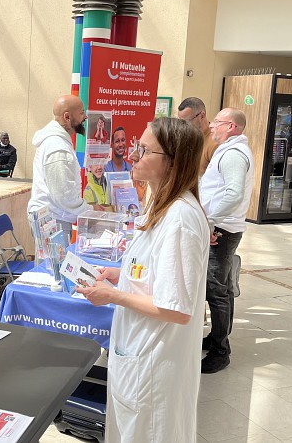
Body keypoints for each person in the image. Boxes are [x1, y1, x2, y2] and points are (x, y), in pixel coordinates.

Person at [76, 117, 209, 442]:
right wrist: (120, 275)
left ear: (171, 163)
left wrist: (113, 295)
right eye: (137, 147)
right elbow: (158, 274)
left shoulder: (180, 219)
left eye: (145, 150)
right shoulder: (161, 208)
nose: (133, 155)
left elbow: (177, 308)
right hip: (138, 355)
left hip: (153, 366)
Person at [199, 108, 254, 374]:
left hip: (221, 229)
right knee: (222, 286)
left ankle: (221, 351)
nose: (211, 127)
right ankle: (217, 338)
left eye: (216, 123)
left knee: (216, 288)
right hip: (222, 226)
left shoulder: (233, 154)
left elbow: (233, 193)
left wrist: (210, 221)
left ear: (231, 126)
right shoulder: (230, 150)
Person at [27, 95, 97, 240]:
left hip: (54, 217)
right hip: (52, 220)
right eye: (81, 113)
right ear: (67, 117)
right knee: (53, 264)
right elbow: (64, 195)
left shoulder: (59, 142)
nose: (85, 117)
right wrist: (90, 211)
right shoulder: (57, 147)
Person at [177, 96, 216, 175]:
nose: (184, 126)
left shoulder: (215, 142)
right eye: (181, 122)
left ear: (202, 115)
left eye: (187, 121)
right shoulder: (185, 140)